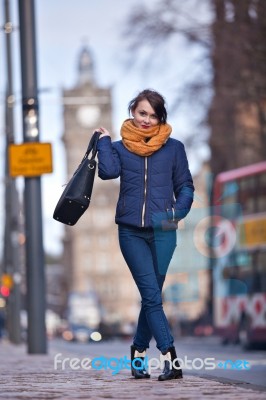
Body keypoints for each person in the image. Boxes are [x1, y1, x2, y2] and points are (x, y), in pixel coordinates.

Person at [95, 89, 194, 381]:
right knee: (152, 297)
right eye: (142, 113)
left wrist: (178, 212)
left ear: (160, 116)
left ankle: (138, 353)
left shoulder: (174, 148)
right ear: (132, 113)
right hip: (131, 232)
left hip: (164, 232)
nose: (147, 120)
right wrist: (103, 141)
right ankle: (171, 360)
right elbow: (108, 173)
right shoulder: (120, 147)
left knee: (151, 298)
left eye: (153, 115)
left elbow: (185, 185)